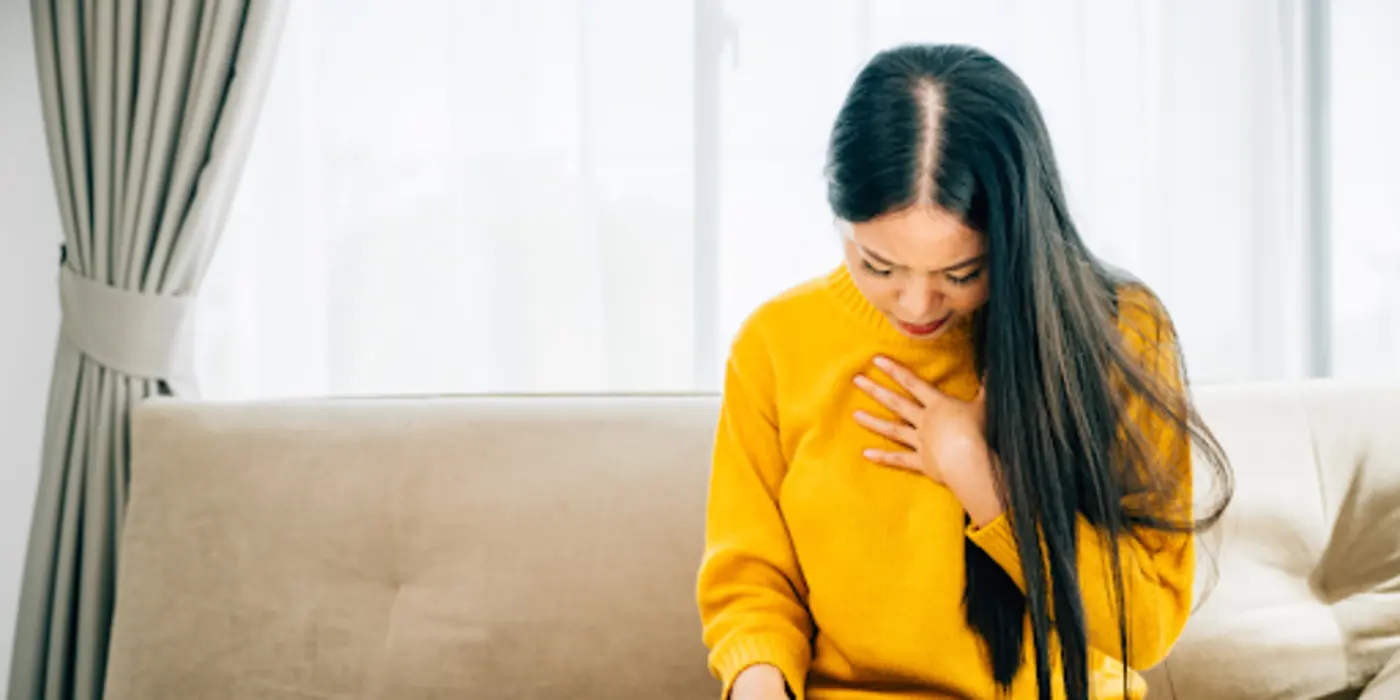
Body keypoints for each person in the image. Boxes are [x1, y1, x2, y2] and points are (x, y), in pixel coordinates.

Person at [695, 44, 1232, 700]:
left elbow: (1144, 628)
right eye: (879, 266)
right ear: (841, 221)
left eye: (961, 273)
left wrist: (979, 475)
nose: (917, 306)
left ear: (1018, 237)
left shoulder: (1120, 330)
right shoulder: (776, 343)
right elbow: (751, 588)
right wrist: (759, 685)